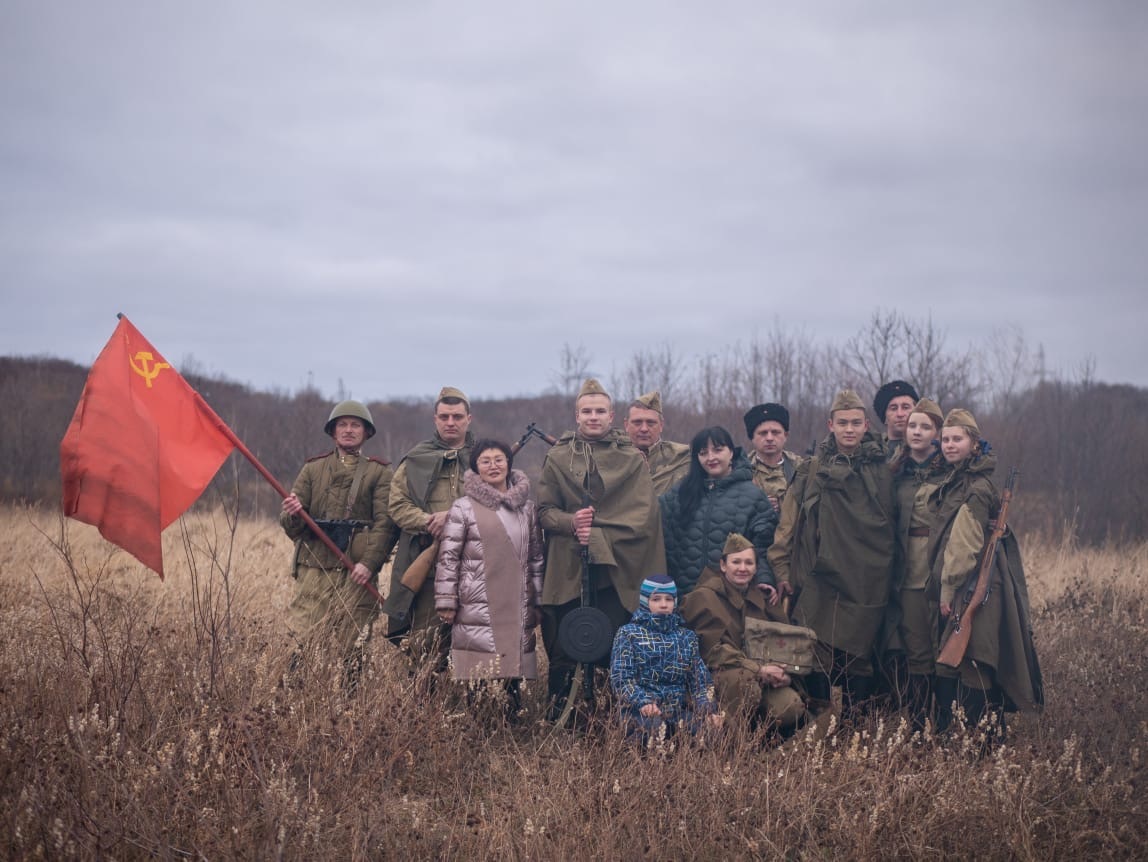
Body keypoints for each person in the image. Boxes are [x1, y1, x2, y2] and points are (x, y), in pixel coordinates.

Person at [538, 378, 667, 717]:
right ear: (576, 415)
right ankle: (561, 722)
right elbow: (544, 512)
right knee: (566, 646)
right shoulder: (557, 457)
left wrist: (595, 534)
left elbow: (643, 517)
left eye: (599, 411)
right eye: (586, 411)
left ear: (612, 416)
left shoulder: (632, 459)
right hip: (569, 567)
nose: (592, 417)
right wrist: (571, 523)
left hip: (617, 569)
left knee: (615, 647)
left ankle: (615, 725)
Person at [767, 390, 896, 721]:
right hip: (818, 579)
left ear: (867, 425)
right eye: (842, 423)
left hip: (867, 581)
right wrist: (783, 574)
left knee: (860, 657)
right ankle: (819, 724)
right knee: (815, 652)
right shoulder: (812, 470)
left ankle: (854, 728)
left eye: (856, 423)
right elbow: (787, 529)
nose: (849, 430)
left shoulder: (885, 471)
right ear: (831, 425)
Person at [928, 409, 1043, 736]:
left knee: (974, 660)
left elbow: (963, 548)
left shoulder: (975, 487)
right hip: (972, 585)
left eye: (958, 439)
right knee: (964, 658)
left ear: (974, 444)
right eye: (946, 439)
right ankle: (973, 737)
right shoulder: (959, 480)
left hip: (972, 585)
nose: (950, 445)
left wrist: (948, 589)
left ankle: (981, 741)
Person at [280, 400, 397, 685]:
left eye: (355, 425)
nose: (348, 430)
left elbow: (386, 524)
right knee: (300, 641)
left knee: (353, 647)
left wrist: (369, 565)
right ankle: (292, 707)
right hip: (313, 569)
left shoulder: (380, 473)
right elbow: (290, 527)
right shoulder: (312, 470)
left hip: (355, 574)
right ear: (333, 432)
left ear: (366, 432)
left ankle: (350, 709)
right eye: (342, 425)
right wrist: (294, 513)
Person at [434, 439, 544, 717]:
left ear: (509, 464)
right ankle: (479, 726)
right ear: (476, 468)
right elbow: (449, 557)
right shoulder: (462, 507)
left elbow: (536, 558)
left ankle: (511, 726)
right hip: (476, 601)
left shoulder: (527, 508)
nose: (493, 465)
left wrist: (539, 599)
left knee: (512, 670)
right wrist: (447, 600)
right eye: (486, 460)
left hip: (517, 601)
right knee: (478, 672)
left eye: (499, 459)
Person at [384, 386, 475, 669]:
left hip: (474, 564)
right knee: (426, 647)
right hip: (428, 565)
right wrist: (427, 521)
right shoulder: (415, 459)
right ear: (435, 419)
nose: (451, 422)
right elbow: (397, 505)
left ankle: (476, 709)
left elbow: (501, 504)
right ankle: (426, 710)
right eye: (445, 416)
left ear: (468, 419)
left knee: (476, 646)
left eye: (457, 416)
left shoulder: (485, 458)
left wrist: (454, 516)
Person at [681, 534, 808, 736]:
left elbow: (784, 645)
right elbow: (710, 653)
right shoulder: (704, 597)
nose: (742, 568)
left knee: (789, 707)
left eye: (749, 563)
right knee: (747, 683)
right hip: (718, 675)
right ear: (723, 565)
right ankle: (730, 739)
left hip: (761, 676)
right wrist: (757, 669)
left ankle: (756, 736)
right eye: (736, 562)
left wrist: (786, 675)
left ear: (756, 568)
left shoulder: (763, 597)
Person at [884, 397, 947, 728]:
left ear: (937, 432)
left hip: (945, 571)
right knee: (917, 650)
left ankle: (952, 719)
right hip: (908, 571)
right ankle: (922, 723)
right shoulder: (896, 472)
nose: (917, 432)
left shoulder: (951, 471)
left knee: (948, 646)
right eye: (912, 426)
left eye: (925, 426)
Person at [658, 426, 778, 596]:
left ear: (731, 453)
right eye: (703, 452)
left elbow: (764, 546)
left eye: (717, 450)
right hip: (684, 596)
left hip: (732, 598)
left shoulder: (753, 496)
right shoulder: (680, 493)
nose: (710, 458)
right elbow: (661, 537)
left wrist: (764, 579)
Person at [609, 574, 720, 743]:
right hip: (639, 711)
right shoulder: (628, 634)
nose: (663, 604)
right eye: (656, 599)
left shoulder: (687, 637)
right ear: (646, 601)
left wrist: (708, 710)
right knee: (650, 731)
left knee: (708, 731)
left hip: (676, 713)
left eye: (669, 599)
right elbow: (621, 679)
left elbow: (699, 681)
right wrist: (642, 702)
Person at [623, 390, 691, 496]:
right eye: (637, 423)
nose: (644, 429)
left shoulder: (682, 457)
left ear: (661, 426)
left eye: (651, 423)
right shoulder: (614, 457)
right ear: (626, 425)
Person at [743, 402, 805, 512]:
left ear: (786, 436)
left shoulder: (802, 469)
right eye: (763, 433)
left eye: (775, 432)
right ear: (752, 437)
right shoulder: (741, 470)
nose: (769, 438)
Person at [874, 379, 920, 462]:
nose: (900, 414)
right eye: (893, 408)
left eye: (905, 407)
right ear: (884, 417)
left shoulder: (929, 449)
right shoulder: (873, 454)